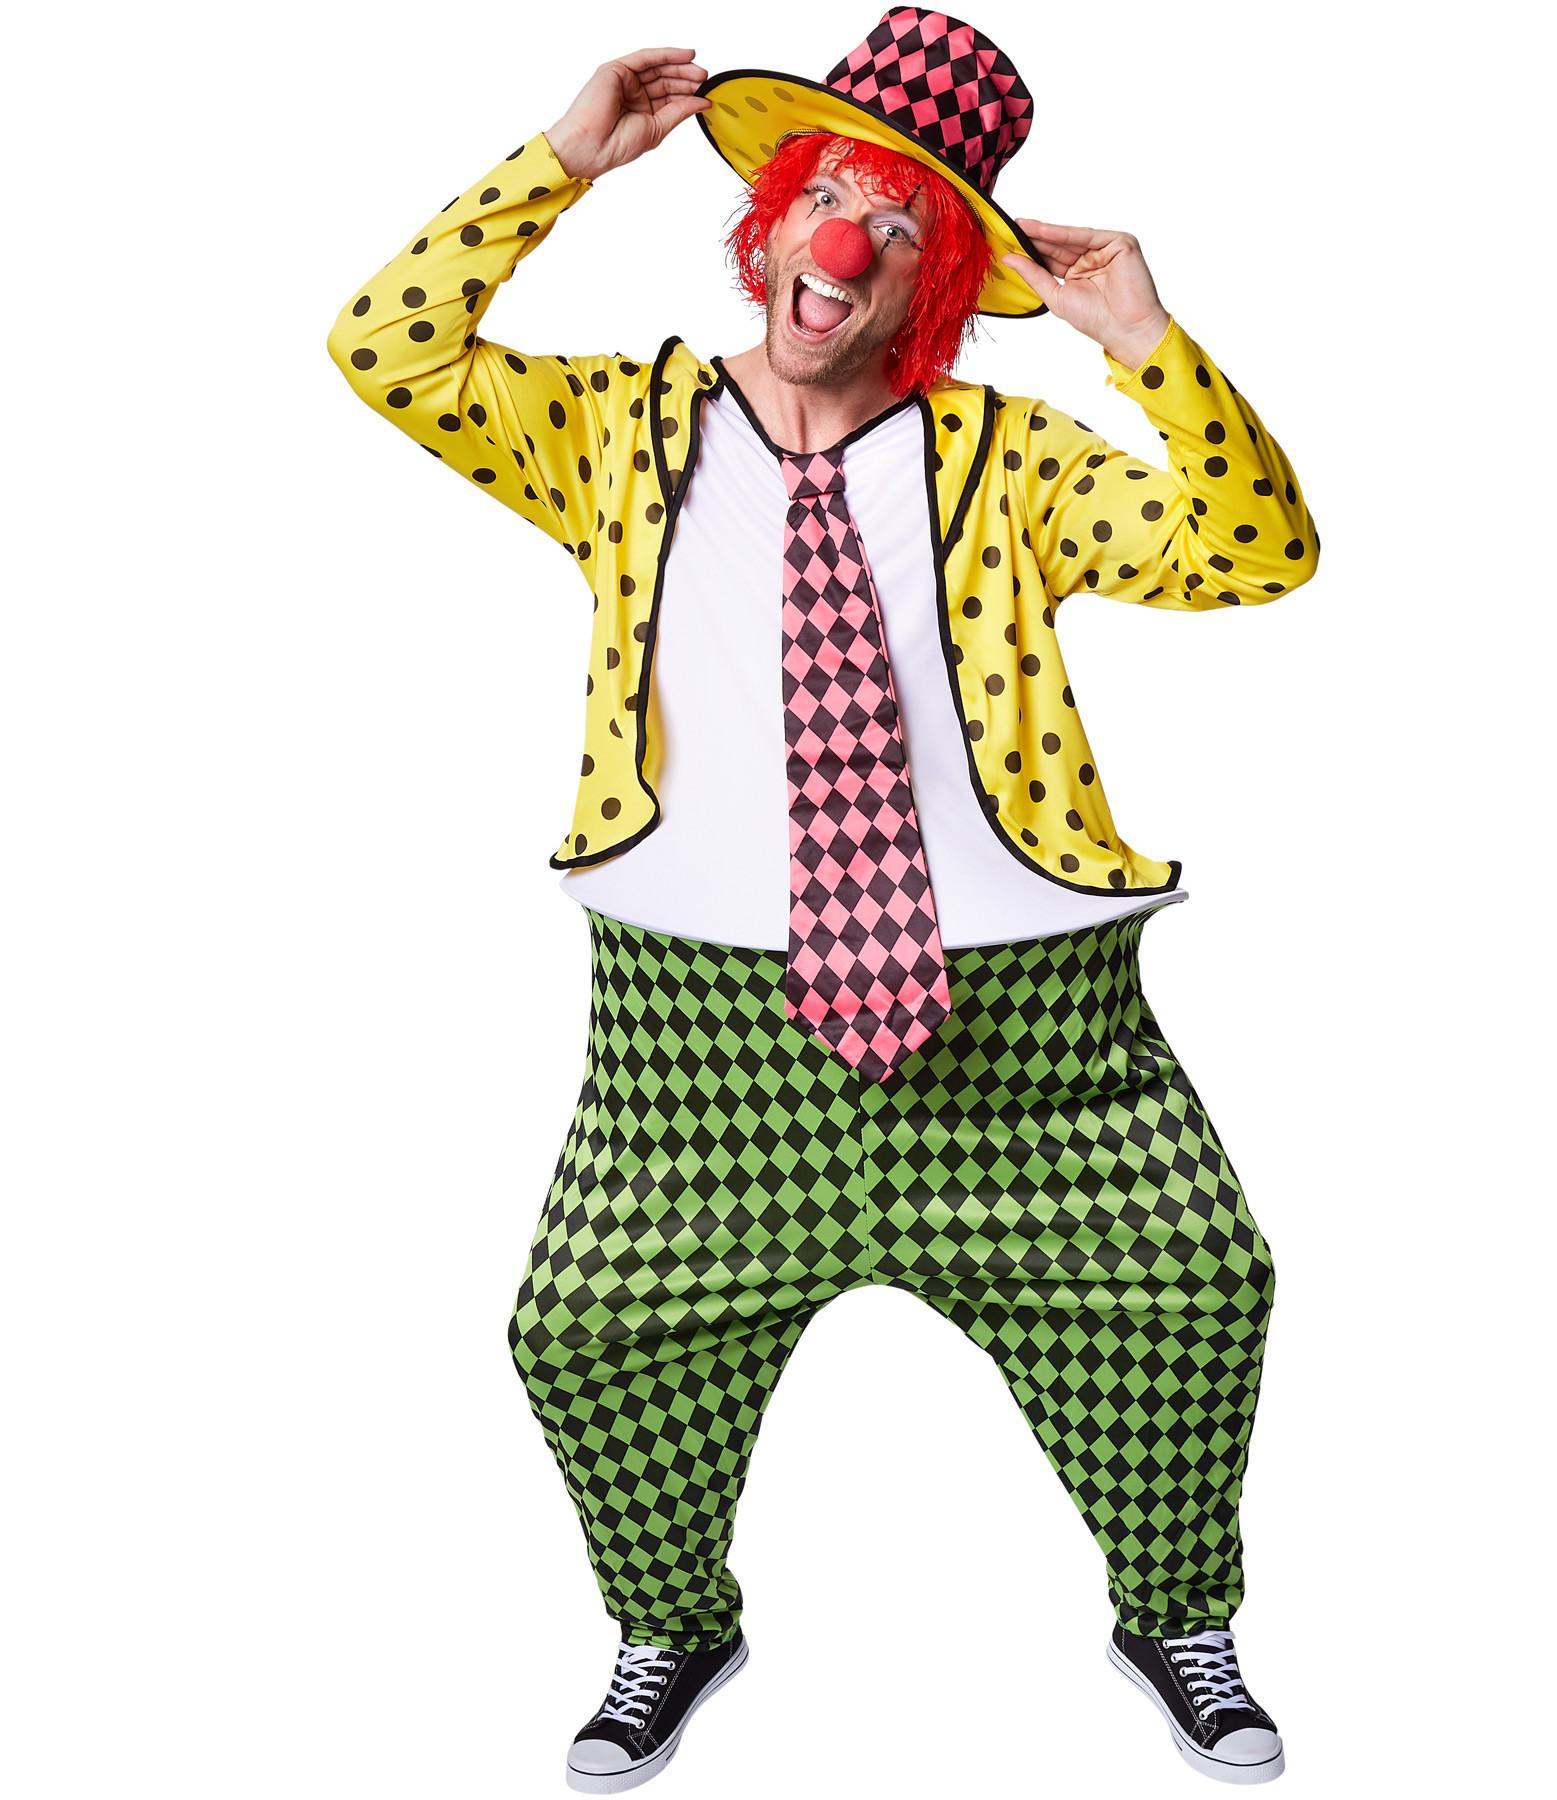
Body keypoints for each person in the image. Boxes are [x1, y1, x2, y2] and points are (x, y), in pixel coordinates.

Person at [326, 11, 1320, 1791]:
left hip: (1025, 1028)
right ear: (771, 221)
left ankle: (1174, 1609)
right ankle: (671, 1624)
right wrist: (558, 163)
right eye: (829, 200)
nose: (849, 246)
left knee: (1190, 1282)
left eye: (903, 226)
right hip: (698, 1028)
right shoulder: (619, 429)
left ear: (934, 286)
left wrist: (1147, 346)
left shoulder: (1007, 456)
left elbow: (1256, 552)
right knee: (592, 1334)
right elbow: (382, 347)